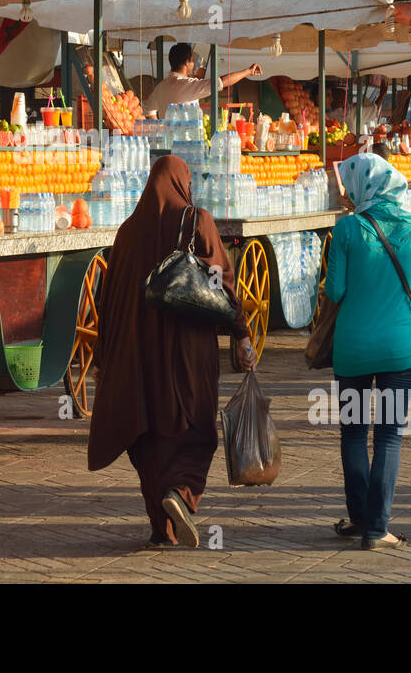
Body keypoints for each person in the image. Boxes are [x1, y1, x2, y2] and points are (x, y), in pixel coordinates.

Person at [87, 155, 254, 548]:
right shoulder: (197, 221)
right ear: (182, 183)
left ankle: (160, 529)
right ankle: (180, 492)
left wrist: (101, 358)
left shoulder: (127, 232)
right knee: (194, 428)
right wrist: (241, 334)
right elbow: (223, 282)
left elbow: (107, 299)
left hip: (135, 354)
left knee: (147, 434)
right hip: (188, 352)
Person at [326, 154, 411, 549]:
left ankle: (360, 517)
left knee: (352, 434)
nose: (346, 194)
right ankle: (377, 529)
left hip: (350, 351)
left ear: (365, 187)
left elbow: (335, 292)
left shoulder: (346, 229)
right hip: (400, 351)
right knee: (389, 437)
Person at [142, 42, 261, 117]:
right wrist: (248, 71)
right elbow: (221, 82)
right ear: (187, 63)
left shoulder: (161, 86)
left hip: (170, 147)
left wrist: (162, 132)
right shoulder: (185, 85)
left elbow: (148, 111)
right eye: (193, 61)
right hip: (187, 148)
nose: (194, 64)